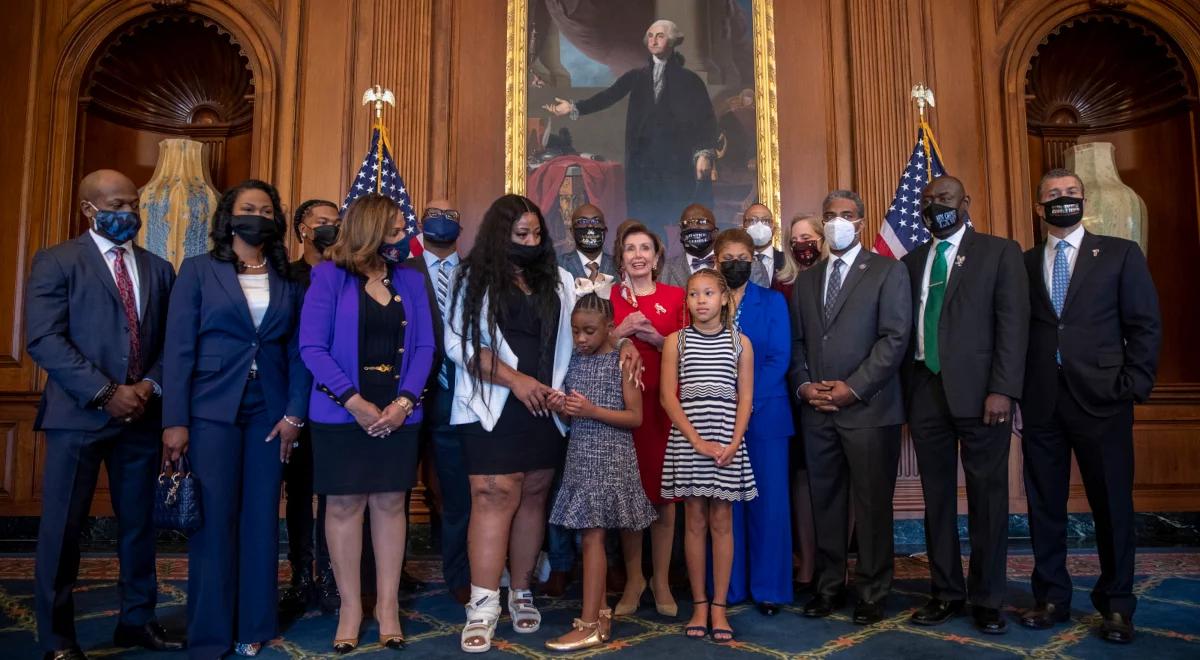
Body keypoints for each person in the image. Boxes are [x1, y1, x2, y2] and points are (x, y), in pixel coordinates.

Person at [446, 195, 641, 653]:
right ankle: (483, 603)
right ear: (500, 235)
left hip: (546, 409)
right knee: (494, 494)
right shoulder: (470, 277)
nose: (531, 242)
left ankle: (522, 590)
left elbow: (590, 327)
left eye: (536, 234)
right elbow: (459, 344)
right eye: (521, 236)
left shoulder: (558, 280)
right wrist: (515, 381)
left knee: (533, 494)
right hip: (493, 403)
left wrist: (623, 345)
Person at [26, 169, 183, 660]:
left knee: (138, 527)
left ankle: (137, 621)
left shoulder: (159, 268)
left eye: (134, 204)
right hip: (77, 417)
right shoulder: (57, 261)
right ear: (88, 209)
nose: (129, 214)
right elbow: (45, 339)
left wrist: (147, 387)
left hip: (141, 418)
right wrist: (104, 391)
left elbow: (171, 344)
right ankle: (57, 638)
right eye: (117, 205)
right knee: (63, 529)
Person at [162, 179, 310, 658]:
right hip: (210, 411)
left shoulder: (287, 276)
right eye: (249, 208)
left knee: (263, 518)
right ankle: (209, 633)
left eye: (266, 209)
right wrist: (174, 421)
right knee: (214, 522)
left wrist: (294, 414)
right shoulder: (199, 270)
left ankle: (255, 624)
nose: (258, 216)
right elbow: (179, 348)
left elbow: (297, 352)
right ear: (229, 217)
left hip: (269, 412)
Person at [1019, 168, 1161, 644]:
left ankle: (1117, 605)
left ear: (1083, 201)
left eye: (1071, 193)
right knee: (1044, 506)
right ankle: (1052, 597)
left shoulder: (1120, 254)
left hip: (1104, 400)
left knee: (1112, 506)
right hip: (1041, 401)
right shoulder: (1023, 262)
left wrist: (1133, 384)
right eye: (1053, 195)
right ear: (1040, 208)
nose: (1063, 200)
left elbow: (1144, 324)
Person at [299, 193, 434, 652]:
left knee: (391, 504)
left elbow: (424, 350)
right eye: (396, 231)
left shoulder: (411, 280)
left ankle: (389, 606)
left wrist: (403, 403)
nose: (404, 239)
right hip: (341, 412)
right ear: (371, 232)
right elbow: (312, 348)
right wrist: (355, 402)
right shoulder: (328, 276)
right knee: (342, 507)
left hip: (399, 412)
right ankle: (351, 608)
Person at [900, 176, 1029, 634]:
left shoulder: (999, 252)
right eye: (929, 200)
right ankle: (946, 592)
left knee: (988, 499)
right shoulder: (912, 260)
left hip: (983, 397)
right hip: (925, 392)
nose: (936, 206)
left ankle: (988, 598)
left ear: (965, 202)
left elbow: (1013, 326)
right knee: (936, 500)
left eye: (946, 199)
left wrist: (1004, 389)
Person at [789, 190, 911, 625]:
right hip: (817, 411)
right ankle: (828, 587)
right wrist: (804, 387)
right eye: (830, 216)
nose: (837, 222)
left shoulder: (887, 271)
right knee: (826, 502)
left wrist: (853, 388)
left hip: (868, 410)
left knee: (873, 505)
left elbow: (895, 339)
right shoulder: (806, 280)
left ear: (860, 222)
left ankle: (873, 590)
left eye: (846, 215)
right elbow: (800, 343)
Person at [544, 294, 655, 651]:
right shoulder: (575, 360)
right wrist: (562, 407)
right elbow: (571, 415)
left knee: (592, 538)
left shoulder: (621, 361)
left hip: (610, 458)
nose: (580, 339)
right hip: (581, 456)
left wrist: (591, 410)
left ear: (610, 328)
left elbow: (635, 417)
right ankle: (602, 614)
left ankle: (589, 623)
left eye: (588, 331)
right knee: (588, 538)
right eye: (575, 331)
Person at [543, 19, 718, 237]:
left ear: (672, 42)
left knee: (679, 221)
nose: (654, 40)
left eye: (660, 36)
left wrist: (704, 153)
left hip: (675, 163)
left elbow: (706, 119)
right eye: (651, 36)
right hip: (643, 165)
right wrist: (572, 107)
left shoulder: (690, 81)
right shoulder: (637, 76)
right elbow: (608, 97)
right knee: (646, 224)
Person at [661, 267, 757, 643]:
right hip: (690, 440)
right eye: (693, 294)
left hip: (726, 438)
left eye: (708, 293)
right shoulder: (676, 341)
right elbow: (668, 397)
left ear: (724, 299)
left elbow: (746, 397)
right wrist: (697, 442)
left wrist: (734, 442)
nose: (700, 301)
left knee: (722, 522)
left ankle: (719, 606)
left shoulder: (740, 343)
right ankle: (699, 603)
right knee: (695, 521)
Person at [713, 229, 793, 615]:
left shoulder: (773, 301)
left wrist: (744, 402)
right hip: (718, 418)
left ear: (753, 260)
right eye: (728, 257)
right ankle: (730, 587)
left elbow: (780, 359)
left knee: (768, 504)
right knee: (727, 505)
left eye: (743, 257)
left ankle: (769, 589)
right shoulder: (708, 303)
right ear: (716, 262)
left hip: (765, 415)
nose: (736, 263)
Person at [610, 220, 686, 618]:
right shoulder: (608, 296)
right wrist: (621, 331)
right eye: (630, 249)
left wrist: (656, 338)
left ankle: (660, 579)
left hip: (664, 408)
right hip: (624, 412)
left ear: (657, 258)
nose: (638, 255)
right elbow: (590, 345)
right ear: (621, 257)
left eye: (645, 248)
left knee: (664, 496)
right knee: (631, 494)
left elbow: (690, 352)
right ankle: (633, 578)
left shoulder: (676, 297)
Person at [406, 198, 473, 606]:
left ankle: (459, 574)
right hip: (406, 399)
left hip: (459, 398)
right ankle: (387, 576)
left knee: (458, 495)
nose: (442, 221)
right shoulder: (402, 271)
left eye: (451, 216)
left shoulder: (478, 275)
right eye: (434, 214)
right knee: (391, 493)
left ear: (461, 226)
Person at [279, 198, 342, 616]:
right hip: (296, 398)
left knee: (338, 495)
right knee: (300, 493)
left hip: (339, 399)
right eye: (322, 223)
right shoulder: (287, 276)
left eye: (336, 223)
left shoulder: (345, 274)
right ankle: (301, 576)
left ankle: (335, 577)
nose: (330, 229)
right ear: (303, 228)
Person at [773, 212, 823, 588]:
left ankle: (835, 562)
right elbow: (788, 344)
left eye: (809, 237)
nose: (802, 245)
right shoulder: (783, 285)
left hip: (846, 391)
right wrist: (803, 384)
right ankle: (806, 561)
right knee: (801, 477)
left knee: (845, 479)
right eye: (795, 240)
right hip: (799, 392)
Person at [659, 203, 766, 288]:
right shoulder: (665, 270)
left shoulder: (752, 267)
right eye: (687, 223)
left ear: (715, 231)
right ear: (681, 231)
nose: (694, 227)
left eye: (702, 221)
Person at [557, 204, 616, 282]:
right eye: (582, 221)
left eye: (596, 221)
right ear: (572, 231)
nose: (590, 225)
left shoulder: (619, 265)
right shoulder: (557, 266)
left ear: (605, 230)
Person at [774, 213, 824, 302]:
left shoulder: (833, 277)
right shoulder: (783, 284)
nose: (799, 244)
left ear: (823, 240)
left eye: (805, 238)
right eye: (794, 241)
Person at [743, 204, 783, 287]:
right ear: (743, 228)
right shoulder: (736, 263)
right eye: (752, 220)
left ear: (774, 229)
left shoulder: (788, 262)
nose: (759, 225)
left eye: (766, 221)